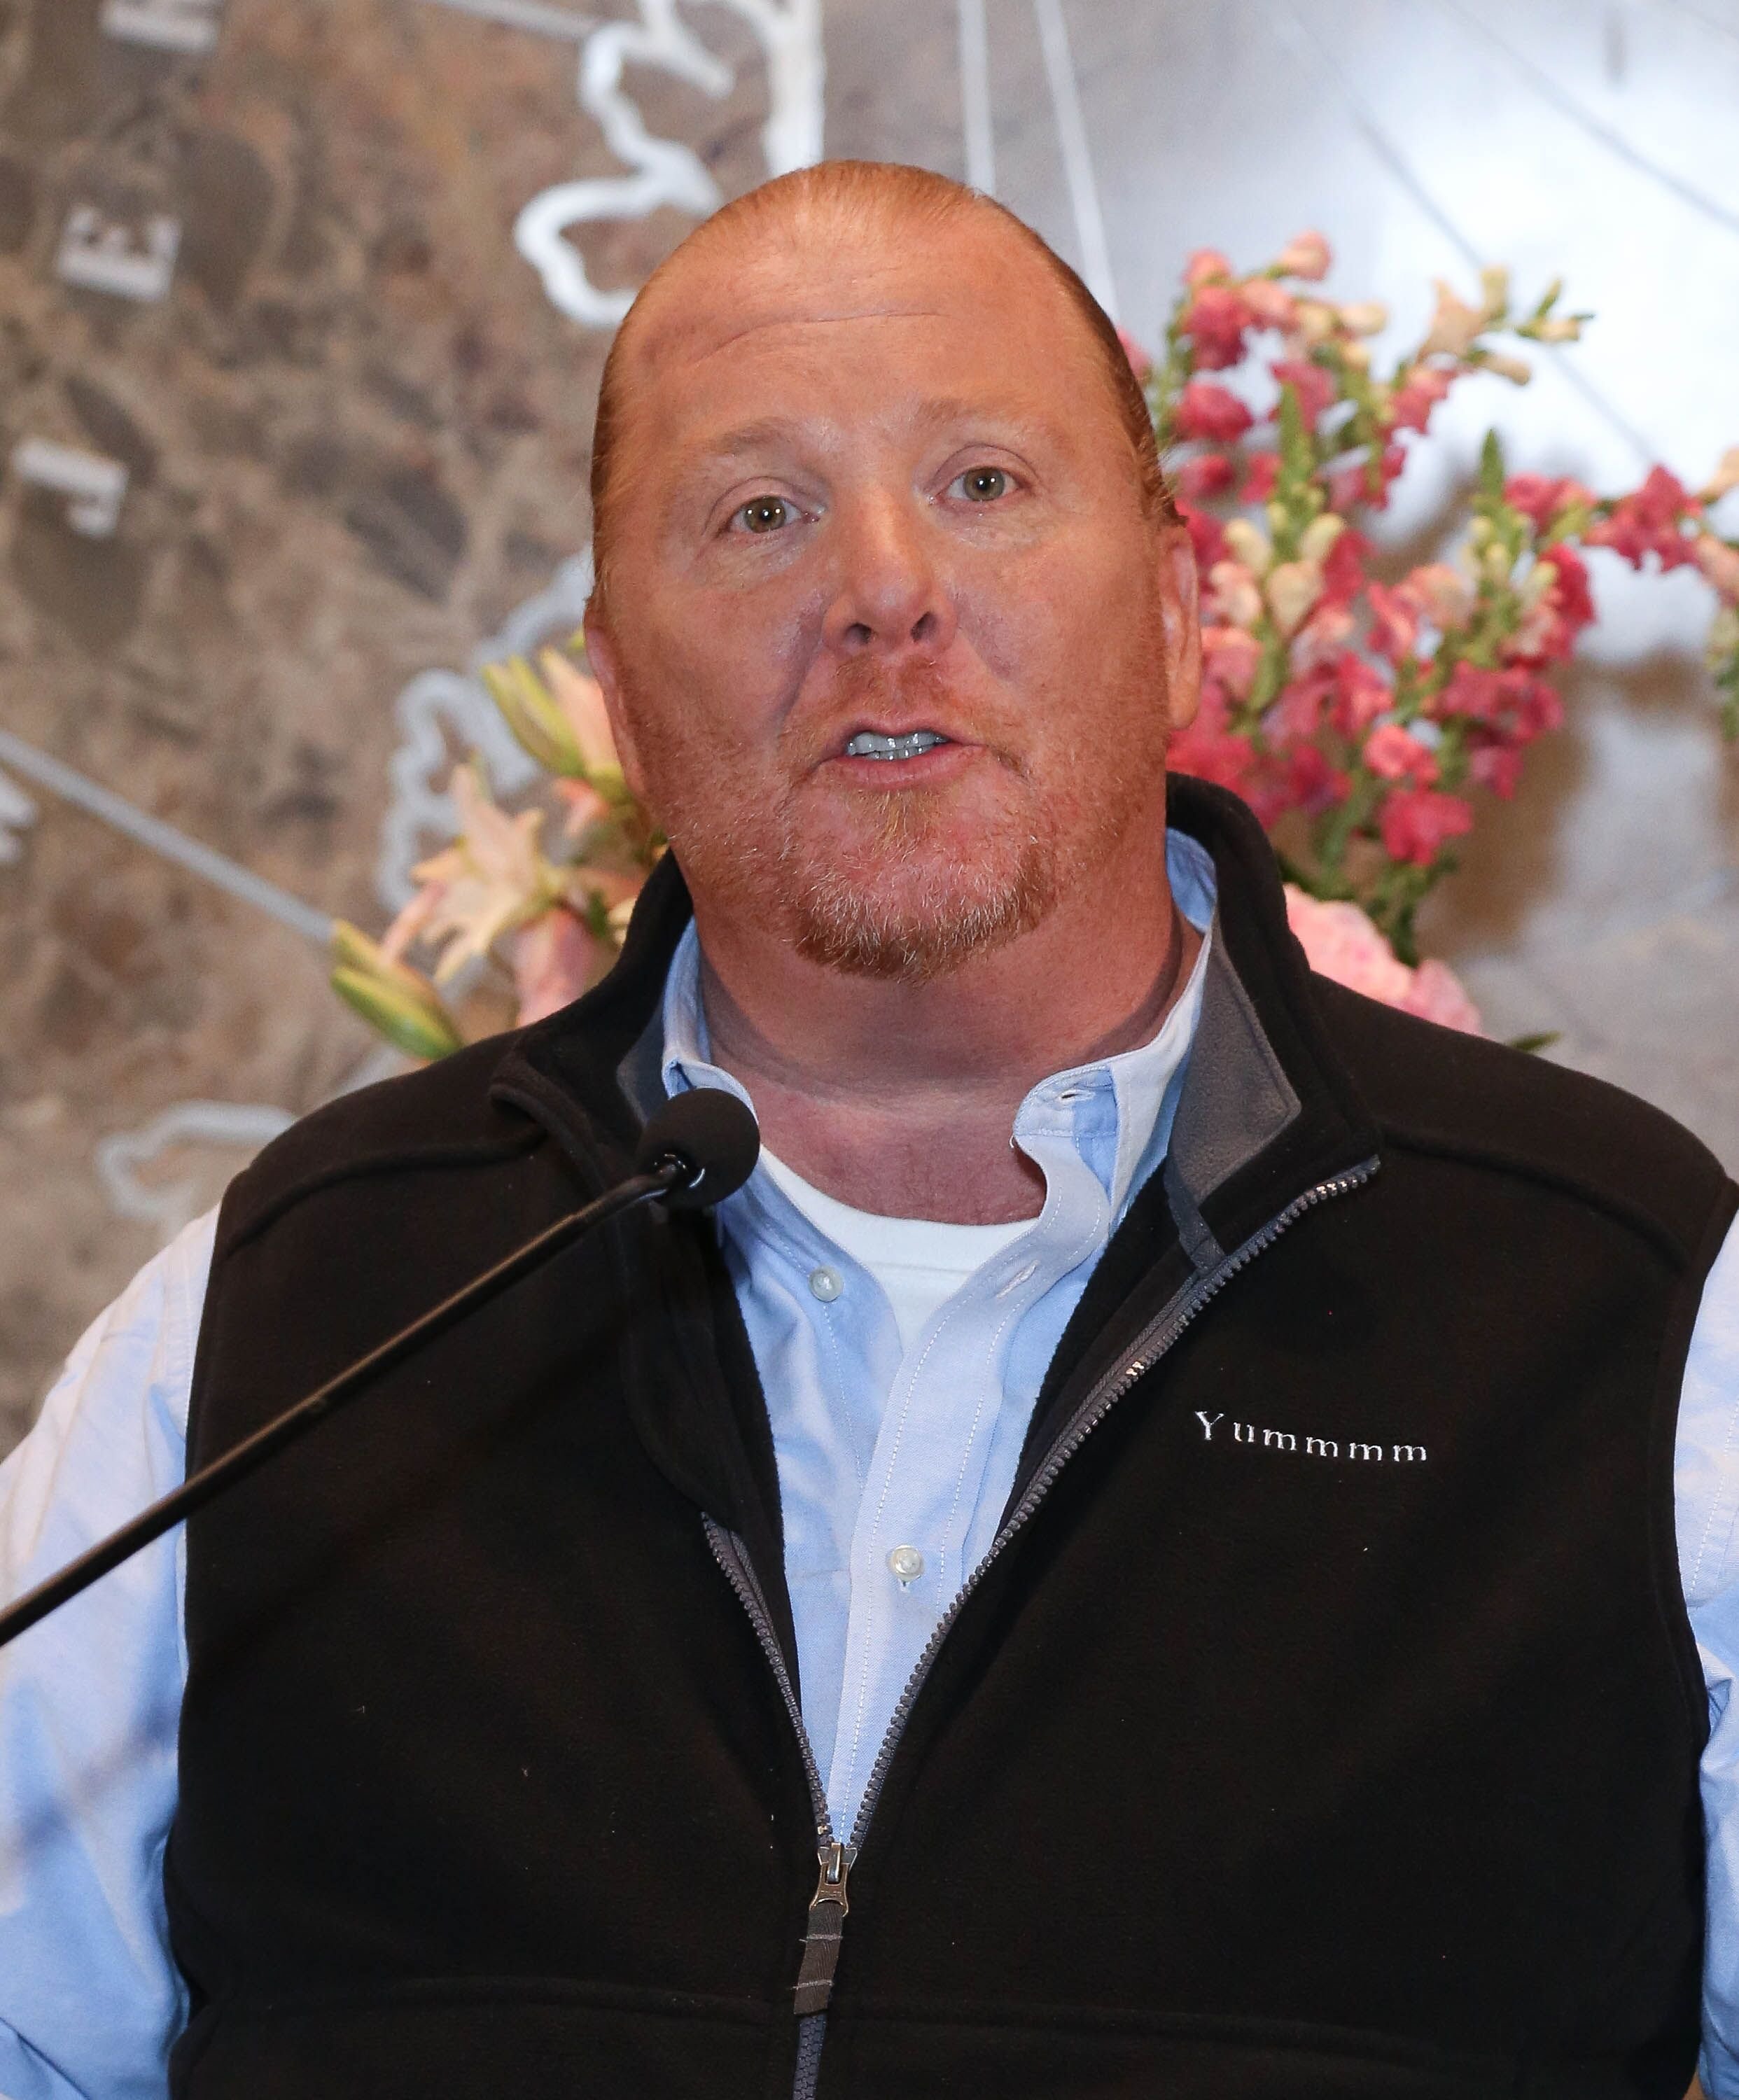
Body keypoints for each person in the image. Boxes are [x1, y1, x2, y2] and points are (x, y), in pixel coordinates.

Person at [2, 160, 1738, 2100]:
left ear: (1174, 608)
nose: (881, 591)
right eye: (758, 514)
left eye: (983, 482)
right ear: (615, 693)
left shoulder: (1629, 1312)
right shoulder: (280, 1320)